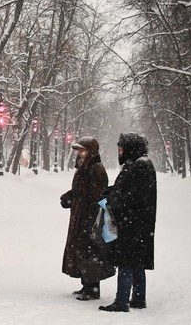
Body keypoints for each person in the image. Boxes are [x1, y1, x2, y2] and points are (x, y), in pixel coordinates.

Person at [100, 133, 157, 313]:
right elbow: (126, 190)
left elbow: (131, 196)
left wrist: (112, 199)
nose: (120, 152)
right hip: (139, 223)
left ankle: (122, 300)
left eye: (122, 149)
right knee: (136, 262)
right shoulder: (140, 164)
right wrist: (111, 193)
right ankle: (139, 298)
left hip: (133, 223)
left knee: (126, 260)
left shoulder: (139, 166)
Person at [59, 136, 115, 300]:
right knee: (82, 251)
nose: (80, 153)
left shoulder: (95, 168)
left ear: (91, 151)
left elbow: (97, 195)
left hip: (90, 218)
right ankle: (86, 285)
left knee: (90, 251)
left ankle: (92, 288)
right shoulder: (84, 167)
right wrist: (69, 197)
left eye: (83, 150)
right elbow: (79, 190)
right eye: (79, 150)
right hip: (80, 216)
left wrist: (87, 214)